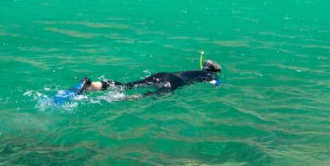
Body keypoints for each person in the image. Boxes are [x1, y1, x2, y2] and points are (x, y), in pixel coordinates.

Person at [76, 59, 222, 98]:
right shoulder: (209, 75)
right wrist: (219, 84)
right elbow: (215, 83)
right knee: (151, 95)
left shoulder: (198, 70)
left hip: (163, 75)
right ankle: (129, 98)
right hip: (174, 82)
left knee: (129, 85)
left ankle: (93, 85)